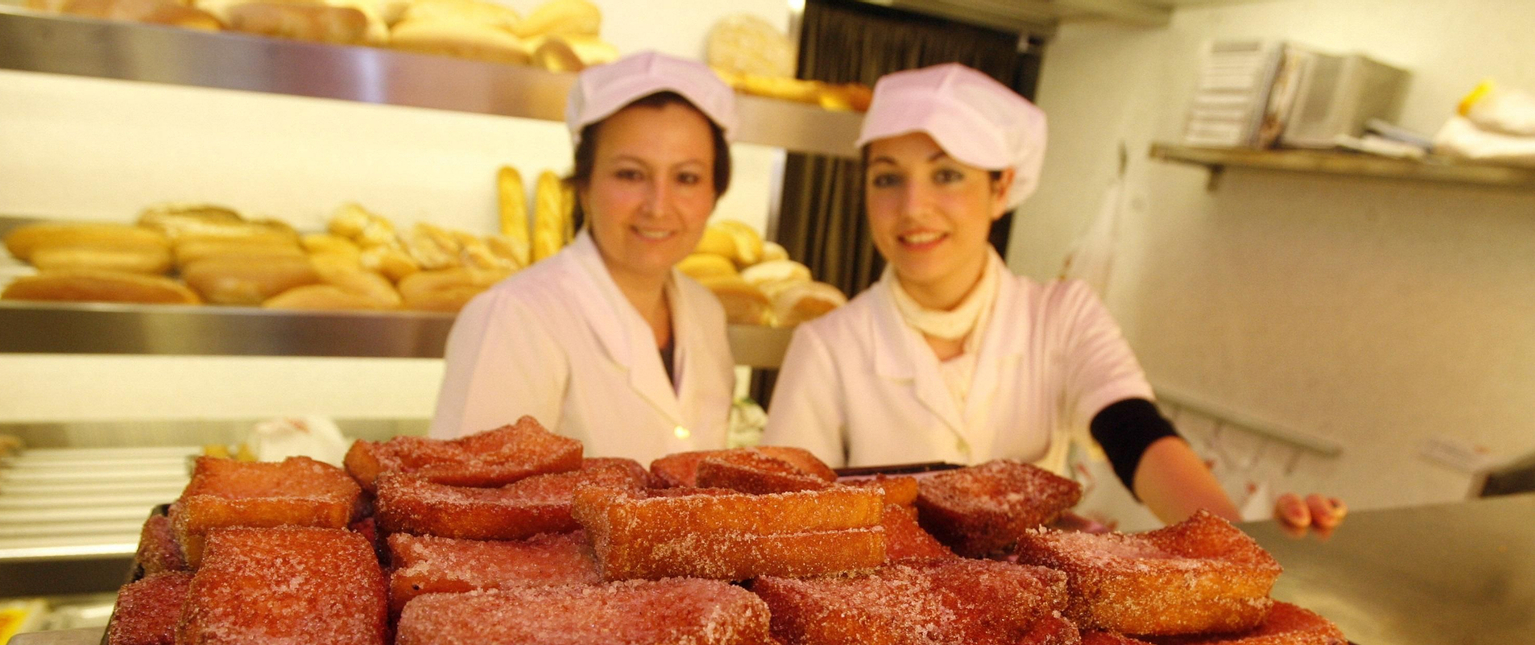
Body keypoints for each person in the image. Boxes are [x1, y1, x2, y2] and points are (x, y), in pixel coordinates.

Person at [762, 64, 1344, 530]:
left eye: (946, 175)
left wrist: (1236, 539)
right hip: (889, 629)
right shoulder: (827, 347)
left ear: (1002, 186)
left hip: (1036, 615)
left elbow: (1134, 433)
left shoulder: (1061, 316)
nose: (912, 206)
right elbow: (787, 519)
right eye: (887, 177)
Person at [431, 52, 738, 462]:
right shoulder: (513, 319)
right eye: (630, 174)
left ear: (713, 194)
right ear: (583, 185)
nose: (658, 207)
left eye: (686, 178)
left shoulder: (706, 313)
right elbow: (464, 508)